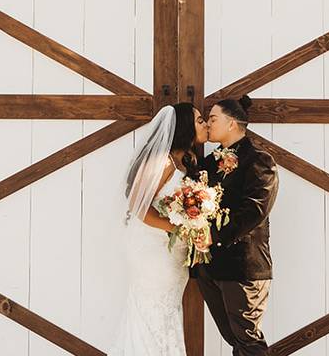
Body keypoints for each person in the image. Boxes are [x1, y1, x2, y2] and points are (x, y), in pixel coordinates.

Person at [107, 102, 209, 356]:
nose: (205, 124)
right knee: (151, 313)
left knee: (168, 313)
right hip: (153, 251)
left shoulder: (185, 162)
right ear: (185, 127)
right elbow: (138, 206)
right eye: (199, 120)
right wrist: (179, 227)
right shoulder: (161, 161)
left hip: (172, 253)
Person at [190, 95, 279, 355]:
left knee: (248, 342)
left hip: (243, 267)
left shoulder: (259, 160)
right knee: (236, 341)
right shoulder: (207, 164)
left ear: (231, 123)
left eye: (213, 119)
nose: (208, 124)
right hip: (210, 269)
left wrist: (213, 235)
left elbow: (255, 211)